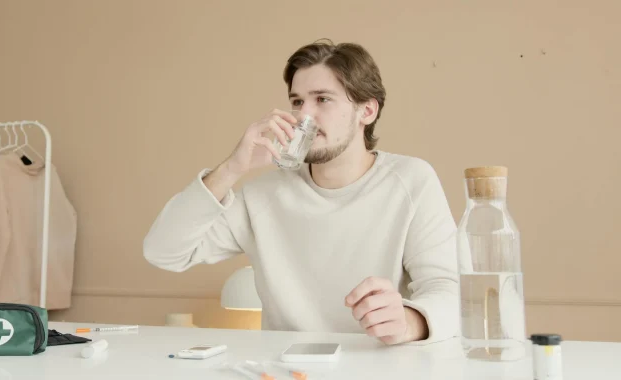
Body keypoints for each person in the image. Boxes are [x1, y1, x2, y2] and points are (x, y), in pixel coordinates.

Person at [143, 39, 460, 345]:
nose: (303, 116)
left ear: (367, 111)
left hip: (379, 366)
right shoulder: (262, 195)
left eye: (322, 99)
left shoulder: (411, 181)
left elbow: (447, 289)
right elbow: (163, 252)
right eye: (297, 101)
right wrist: (231, 169)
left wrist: (408, 322)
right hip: (285, 368)